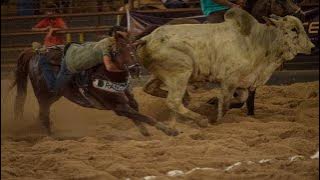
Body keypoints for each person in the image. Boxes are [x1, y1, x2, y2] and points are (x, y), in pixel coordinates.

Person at [38, 28, 126, 95]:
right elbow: (109, 67)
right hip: (71, 62)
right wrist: (123, 70)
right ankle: (44, 64)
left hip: (73, 48)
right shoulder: (108, 46)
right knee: (55, 88)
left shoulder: (107, 41)